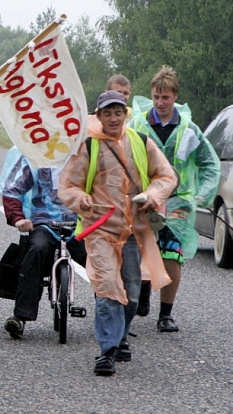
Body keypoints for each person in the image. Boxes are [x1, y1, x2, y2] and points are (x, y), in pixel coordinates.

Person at [59, 90, 176, 375]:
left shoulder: (141, 142)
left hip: (134, 231)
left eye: (118, 112)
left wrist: (152, 194)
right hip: (100, 231)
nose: (113, 118)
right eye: (107, 113)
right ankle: (107, 350)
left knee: (133, 292)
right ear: (98, 116)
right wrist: (80, 199)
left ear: (125, 114)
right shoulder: (89, 146)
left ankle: (121, 336)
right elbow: (68, 185)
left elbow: (166, 175)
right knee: (108, 288)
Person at [130, 66, 220, 332]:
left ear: (175, 97)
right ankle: (143, 289)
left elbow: (209, 165)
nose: (160, 102)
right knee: (140, 250)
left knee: (171, 253)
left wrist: (202, 196)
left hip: (177, 201)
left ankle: (165, 314)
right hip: (143, 199)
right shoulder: (137, 126)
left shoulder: (188, 129)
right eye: (156, 96)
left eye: (166, 97)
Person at [0, 147, 86, 340]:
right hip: (45, 222)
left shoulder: (87, 153)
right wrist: (18, 218)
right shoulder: (36, 155)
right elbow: (13, 189)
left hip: (81, 222)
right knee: (36, 250)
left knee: (99, 259)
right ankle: (20, 317)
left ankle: (112, 316)